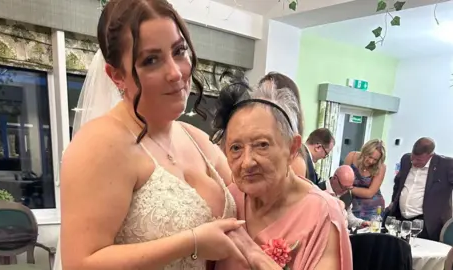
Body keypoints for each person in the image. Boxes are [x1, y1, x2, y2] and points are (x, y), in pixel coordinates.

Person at [60, 0, 254, 269]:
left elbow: (251, 198)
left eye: (179, 51)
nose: (175, 73)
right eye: (151, 60)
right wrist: (192, 242)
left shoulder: (195, 138)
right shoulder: (101, 144)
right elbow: (80, 263)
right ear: (117, 76)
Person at [212, 83, 352, 270]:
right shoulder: (228, 201)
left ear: (293, 148)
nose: (247, 162)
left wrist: (254, 254)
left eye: (262, 145)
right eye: (236, 148)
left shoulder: (323, 215)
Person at [388, 137, 453, 241]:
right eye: (413, 157)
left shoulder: (446, 165)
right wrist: (393, 202)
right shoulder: (406, 159)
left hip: (427, 223)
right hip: (401, 218)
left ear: (430, 155)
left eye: (419, 160)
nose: (414, 161)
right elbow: (398, 183)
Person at [344, 139, 386, 220]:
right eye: (370, 157)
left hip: (372, 209)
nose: (371, 161)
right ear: (364, 151)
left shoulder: (381, 167)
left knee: (367, 231)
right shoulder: (351, 157)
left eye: (375, 160)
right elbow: (342, 179)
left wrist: (348, 188)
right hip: (351, 205)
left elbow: (369, 193)